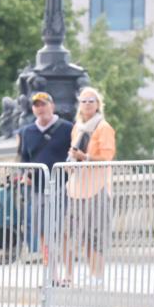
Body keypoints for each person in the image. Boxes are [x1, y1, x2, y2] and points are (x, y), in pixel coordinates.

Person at [59, 87, 116, 288]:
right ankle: (75, 274)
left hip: (98, 187)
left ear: (98, 104)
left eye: (91, 100)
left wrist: (85, 158)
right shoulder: (78, 127)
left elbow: (108, 157)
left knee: (96, 234)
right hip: (77, 188)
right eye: (84, 101)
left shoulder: (103, 127)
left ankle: (96, 275)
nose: (87, 104)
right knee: (72, 234)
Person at [17, 91, 72, 255]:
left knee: (61, 230)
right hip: (38, 188)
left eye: (44, 104)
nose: (40, 108)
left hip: (62, 186)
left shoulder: (67, 128)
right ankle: (50, 270)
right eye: (36, 105)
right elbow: (24, 158)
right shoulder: (27, 132)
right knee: (42, 230)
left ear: (52, 106)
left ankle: (66, 274)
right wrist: (24, 174)